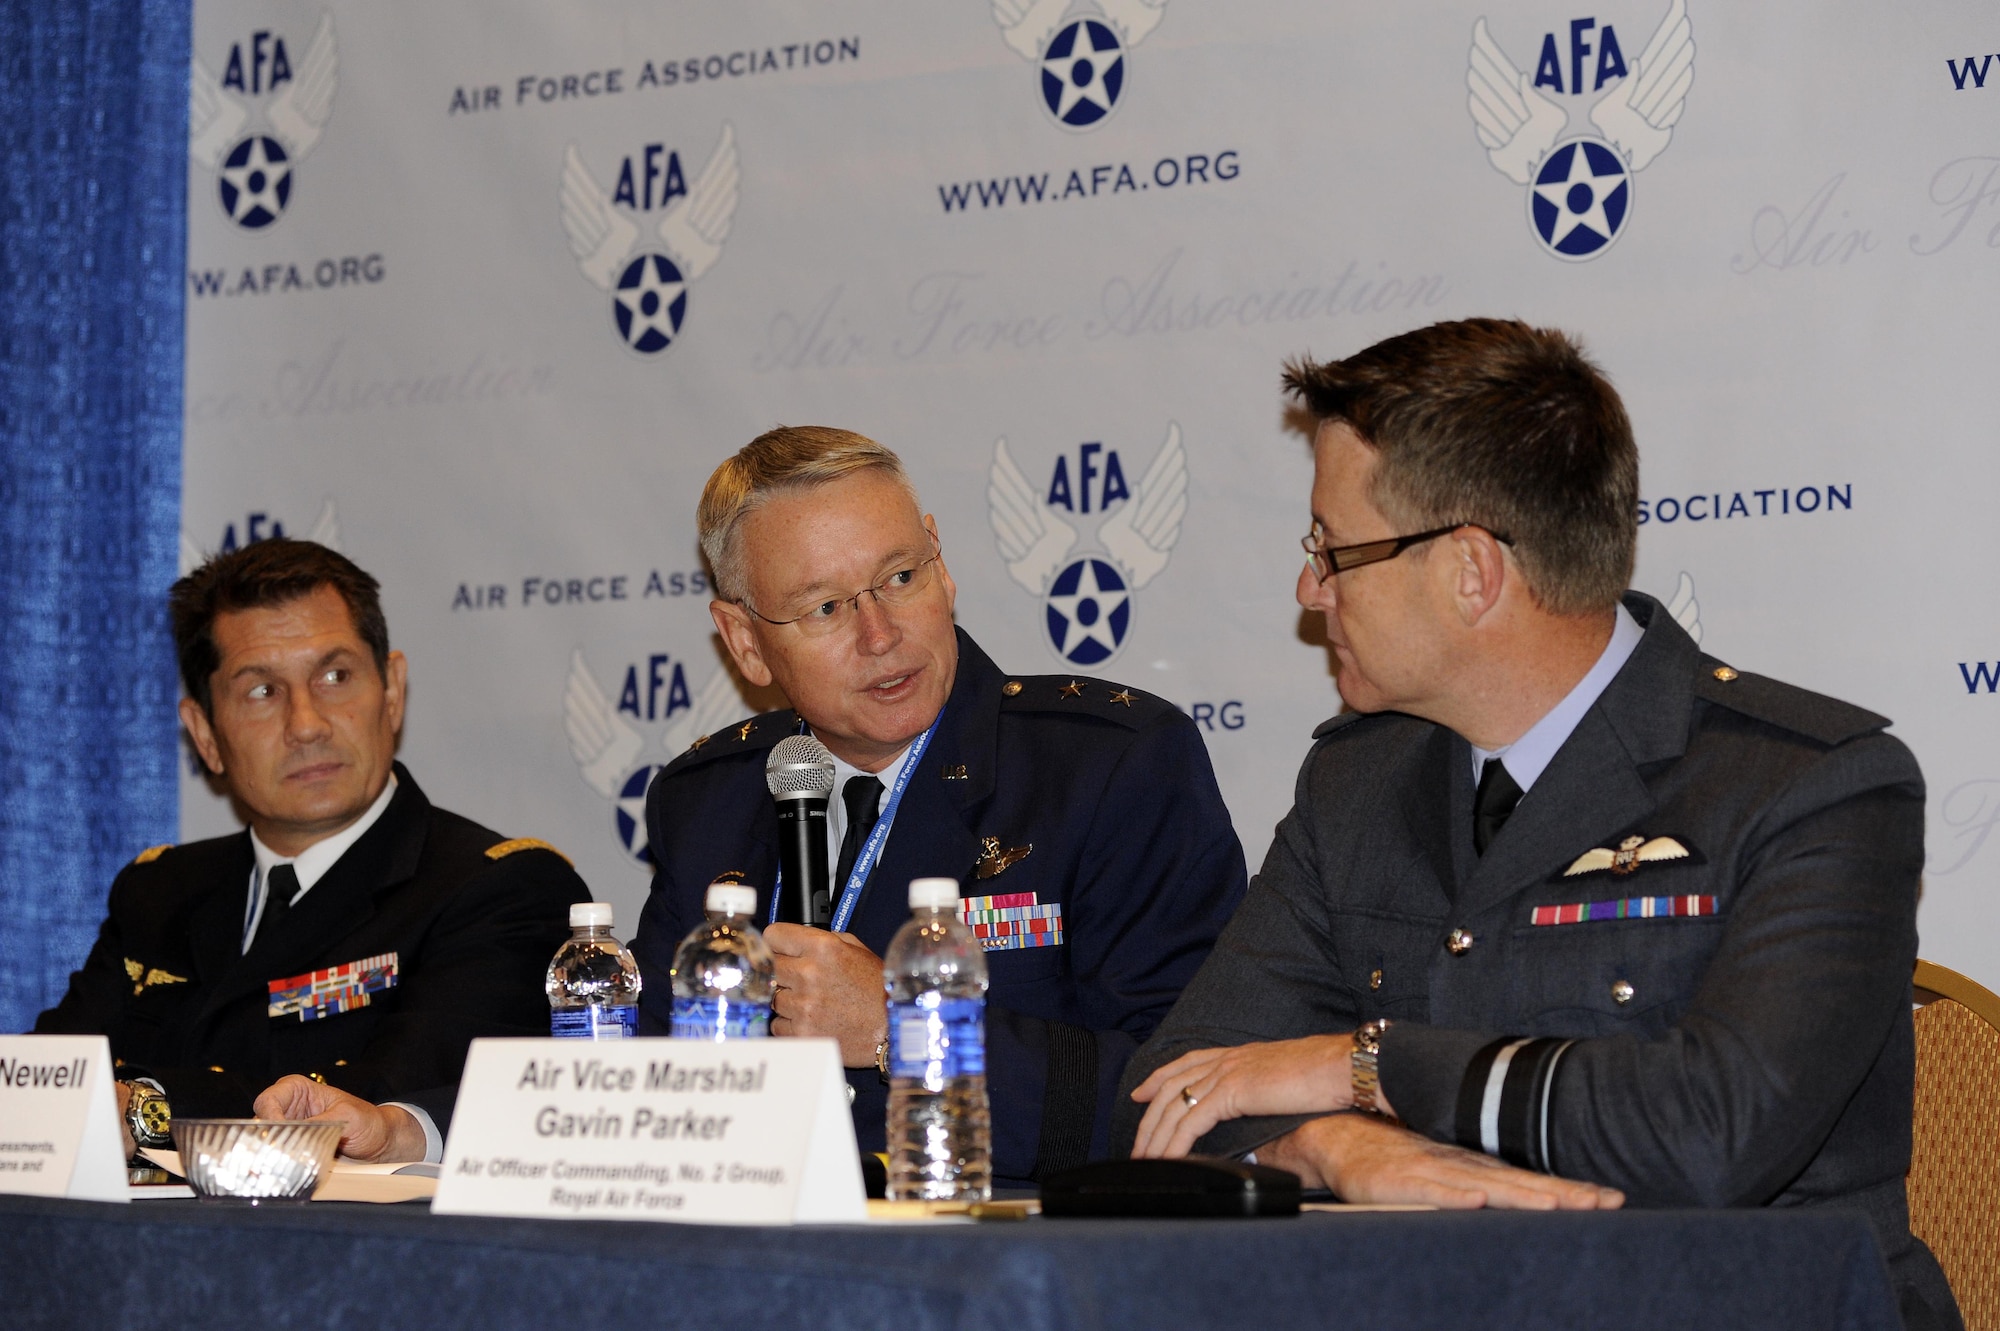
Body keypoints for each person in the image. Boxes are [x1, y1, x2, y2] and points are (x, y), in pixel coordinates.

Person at [1116, 320, 1960, 1331]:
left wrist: (1369, 1065)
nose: (1309, 588)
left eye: (1332, 549)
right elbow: (1173, 1082)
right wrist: (1332, 1143)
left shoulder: (1808, 785)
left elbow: (1713, 1131)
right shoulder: (1356, 783)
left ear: (1471, 570)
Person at [632, 426, 1247, 1186]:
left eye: (899, 577)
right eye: (825, 607)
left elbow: (1192, 1090)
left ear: (942, 566)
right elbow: (636, 1075)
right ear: (745, 642)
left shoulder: (1112, 767)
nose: (881, 634)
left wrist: (904, 1028)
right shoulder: (709, 800)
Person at [37, 539, 589, 1164]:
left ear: (391, 691)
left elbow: (380, 1100)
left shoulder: (501, 888)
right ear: (205, 736)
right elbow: (54, 1079)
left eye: (335, 676)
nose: (307, 724)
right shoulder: (158, 891)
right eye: (262, 692)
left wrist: (145, 1106)